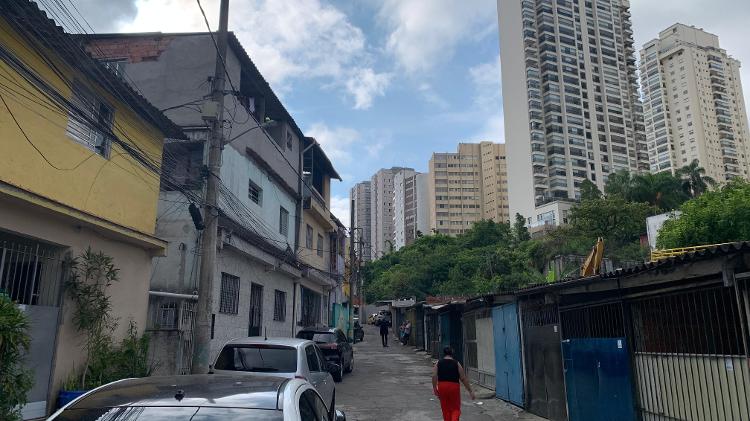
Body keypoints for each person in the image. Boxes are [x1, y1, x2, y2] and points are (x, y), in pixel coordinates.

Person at [432, 347, 475, 421]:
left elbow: (434, 376)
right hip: (454, 386)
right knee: (455, 408)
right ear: (452, 354)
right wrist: (470, 391)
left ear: (444, 354)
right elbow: (463, 378)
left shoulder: (438, 363)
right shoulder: (456, 363)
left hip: (442, 386)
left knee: (445, 408)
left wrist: (435, 388)